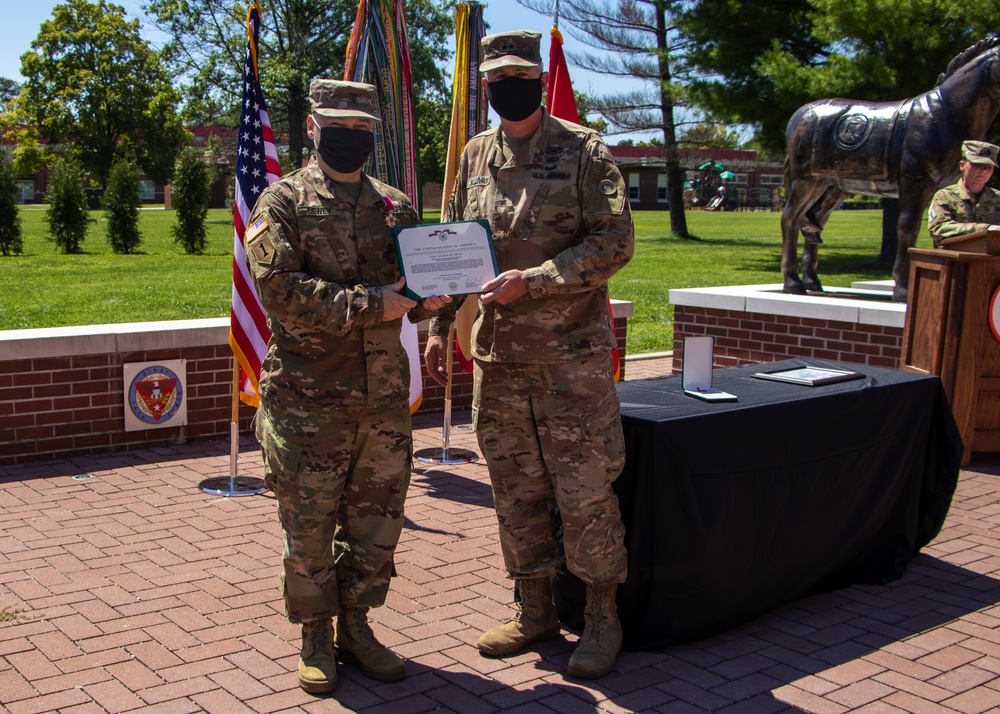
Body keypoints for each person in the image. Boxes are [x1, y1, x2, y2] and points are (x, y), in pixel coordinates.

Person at [423, 30, 634, 679]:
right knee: (515, 490)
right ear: (485, 84)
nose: (505, 86)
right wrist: (436, 325)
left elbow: (614, 242)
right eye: (495, 78)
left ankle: (601, 617)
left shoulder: (583, 151)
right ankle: (534, 606)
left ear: (538, 80)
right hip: (499, 357)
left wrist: (534, 280)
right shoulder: (476, 154)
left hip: (569, 359)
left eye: (518, 75)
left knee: (584, 489)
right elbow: (454, 244)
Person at [244, 78, 448, 695]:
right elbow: (276, 289)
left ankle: (356, 627)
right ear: (313, 125)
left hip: (383, 401)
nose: (350, 137)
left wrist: (435, 303)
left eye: (362, 129)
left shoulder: (395, 205)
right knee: (308, 525)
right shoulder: (282, 203)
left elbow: (415, 291)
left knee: (377, 523)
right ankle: (314, 633)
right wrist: (372, 303)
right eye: (338, 125)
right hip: (309, 402)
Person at [928, 140, 1000, 245]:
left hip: (991, 259)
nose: (984, 170)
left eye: (989, 166)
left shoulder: (997, 198)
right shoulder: (945, 196)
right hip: (954, 258)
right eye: (978, 164)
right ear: (962, 165)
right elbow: (938, 229)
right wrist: (984, 229)